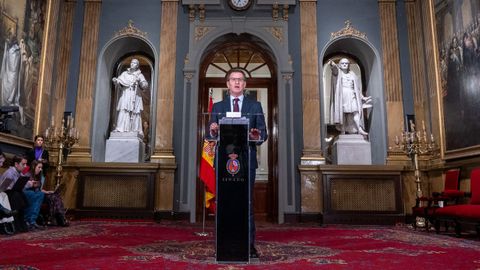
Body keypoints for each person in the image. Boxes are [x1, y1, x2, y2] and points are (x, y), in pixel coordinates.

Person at [209, 68, 268, 259]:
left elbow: (263, 134)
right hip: (223, 163)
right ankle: (221, 243)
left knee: (247, 204)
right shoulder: (218, 107)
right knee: (224, 203)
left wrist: (255, 135)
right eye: (233, 79)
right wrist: (213, 131)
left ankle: (249, 245)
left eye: (240, 80)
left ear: (245, 84)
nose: (236, 82)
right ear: (227, 84)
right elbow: (210, 135)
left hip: (246, 162)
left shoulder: (255, 106)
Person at [329, 58, 370, 136]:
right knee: (343, 114)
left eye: (346, 63)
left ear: (348, 65)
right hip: (342, 96)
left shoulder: (352, 74)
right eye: (343, 63)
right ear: (340, 65)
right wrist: (333, 65)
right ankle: (343, 131)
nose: (345, 65)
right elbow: (334, 70)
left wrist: (362, 97)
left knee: (356, 112)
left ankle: (360, 128)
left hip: (351, 95)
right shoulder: (338, 73)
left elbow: (357, 89)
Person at [112, 58, 149, 136]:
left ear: (137, 66)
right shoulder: (125, 73)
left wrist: (140, 81)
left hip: (135, 95)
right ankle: (120, 128)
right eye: (131, 62)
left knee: (135, 112)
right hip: (126, 94)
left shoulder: (139, 75)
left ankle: (134, 129)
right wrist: (116, 81)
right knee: (123, 109)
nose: (132, 64)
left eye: (135, 63)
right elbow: (120, 81)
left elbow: (145, 85)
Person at [28, 160, 68, 227]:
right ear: (33, 167)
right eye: (39, 167)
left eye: (41, 168)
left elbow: (39, 189)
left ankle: (58, 217)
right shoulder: (28, 175)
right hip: (34, 196)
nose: (40, 169)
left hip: (40, 194)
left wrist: (47, 192)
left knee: (55, 195)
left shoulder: (39, 176)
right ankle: (59, 218)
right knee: (52, 197)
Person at [0, 155, 31, 232]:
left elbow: (21, 185)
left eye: (26, 164)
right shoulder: (10, 173)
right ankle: (16, 224)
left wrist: (30, 183)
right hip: (5, 194)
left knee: (20, 194)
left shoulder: (19, 172)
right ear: (16, 164)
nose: (25, 166)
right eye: (23, 164)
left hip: (12, 193)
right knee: (17, 195)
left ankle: (21, 223)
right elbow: (4, 188)